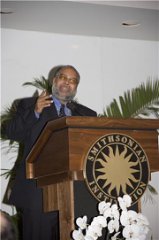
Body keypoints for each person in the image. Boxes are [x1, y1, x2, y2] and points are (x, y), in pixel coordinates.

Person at [3, 65, 97, 240]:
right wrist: (35, 112)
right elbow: (11, 132)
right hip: (37, 193)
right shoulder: (28, 105)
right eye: (63, 77)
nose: (67, 82)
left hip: (74, 193)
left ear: (76, 87)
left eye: (72, 80)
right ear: (54, 80)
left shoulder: (87, 114)